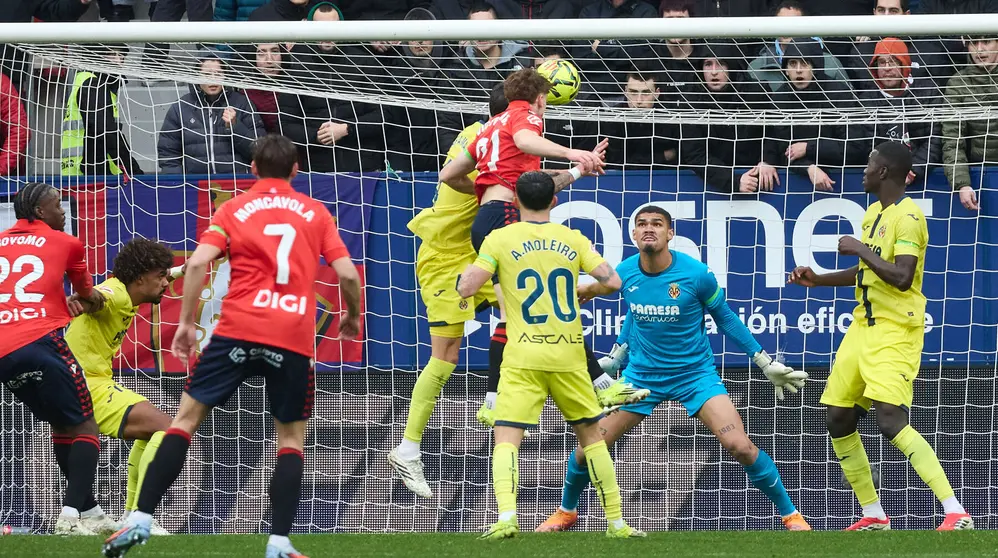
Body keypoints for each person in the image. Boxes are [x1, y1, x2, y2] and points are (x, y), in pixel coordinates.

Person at [102, 135, 363, 558]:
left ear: (254, 168)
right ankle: (278, 543)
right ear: (296, 170)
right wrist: (351, 315)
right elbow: (348, 274)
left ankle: (139, 520)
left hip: (238, 329)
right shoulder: (315, 213)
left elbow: (201, 262)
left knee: (185, 421)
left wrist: (186, 324)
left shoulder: (234, 208)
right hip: (292, 335)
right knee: (291, 439)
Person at [537, 205, 811, 533]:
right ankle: (567, 511)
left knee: (739, 446)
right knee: (588, 447)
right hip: (641, 377)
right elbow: (635, 315)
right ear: (634, 234)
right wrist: (618, 355)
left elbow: (725, 318)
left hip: (695, 376)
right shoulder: (623, 273)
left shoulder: (696, 274)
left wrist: (763, 361)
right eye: (641, 224)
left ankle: (791, 515)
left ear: (670, 234)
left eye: (657, 224)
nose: (648, 228)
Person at [437, 68, 648, 429]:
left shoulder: (490, 128)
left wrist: (488, 190)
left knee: (515, 315)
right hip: (506, 216)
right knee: (554, 306)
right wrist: (573, 151)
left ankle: (493, 402)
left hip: (487, 218)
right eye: (546, 99)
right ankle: (601, 385)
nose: (545, 106)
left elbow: (449, 175)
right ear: (539, 97)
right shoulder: (523, 116)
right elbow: (524, 139)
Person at [788, 141, 973, 531]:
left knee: (889, 420)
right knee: (838, 417)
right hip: (861, 328)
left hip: (896, 329)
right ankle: (873, 515)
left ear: (885, 171)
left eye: (870, 164)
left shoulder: (909, 217)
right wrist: (817, 280)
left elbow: (902, 277)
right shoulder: (872, 213)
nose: (864, 170)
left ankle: (955, 511)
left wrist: (858, 248)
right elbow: (869, 274)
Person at [456, 171, 644, 540]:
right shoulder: (571, 238)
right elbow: (613, 281)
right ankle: (617, 523)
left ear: (515, 203)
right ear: (553, 202)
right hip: (570, 355)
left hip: (522, 353)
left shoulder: (500, 238)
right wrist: (586, 288)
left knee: (507, 438)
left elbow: (469, 287)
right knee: (591, 438)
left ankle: (508, 517)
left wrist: (466, 279)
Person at [387, 84, 509, 498]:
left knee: (528, 307)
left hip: (481, 253)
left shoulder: (494, 137)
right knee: (447, 354)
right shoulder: (483, 139)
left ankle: (494, 398)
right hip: (445, 256)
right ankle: (407, 447)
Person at [0, 182, 106, 535]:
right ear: (42, 212)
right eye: (58, 205)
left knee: (62, 424)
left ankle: (89, 510)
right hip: (40, 340)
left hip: (3, 350)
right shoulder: (67, 242)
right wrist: (93, 300)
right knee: (86, 425)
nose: (63, 212)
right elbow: (86, 293)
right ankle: (70, 516)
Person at [64, 239, 177, 536]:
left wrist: (184, 268)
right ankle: (140, 515)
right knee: (169, 429)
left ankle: (133, 514)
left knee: (157, 429)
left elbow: (153, 278)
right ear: (140, 278)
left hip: (91, 381)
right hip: (85, 386)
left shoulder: (128, 286)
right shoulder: (114, 293)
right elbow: (99, 298)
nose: (167, 283)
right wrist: (84, 299)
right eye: (162, 277)